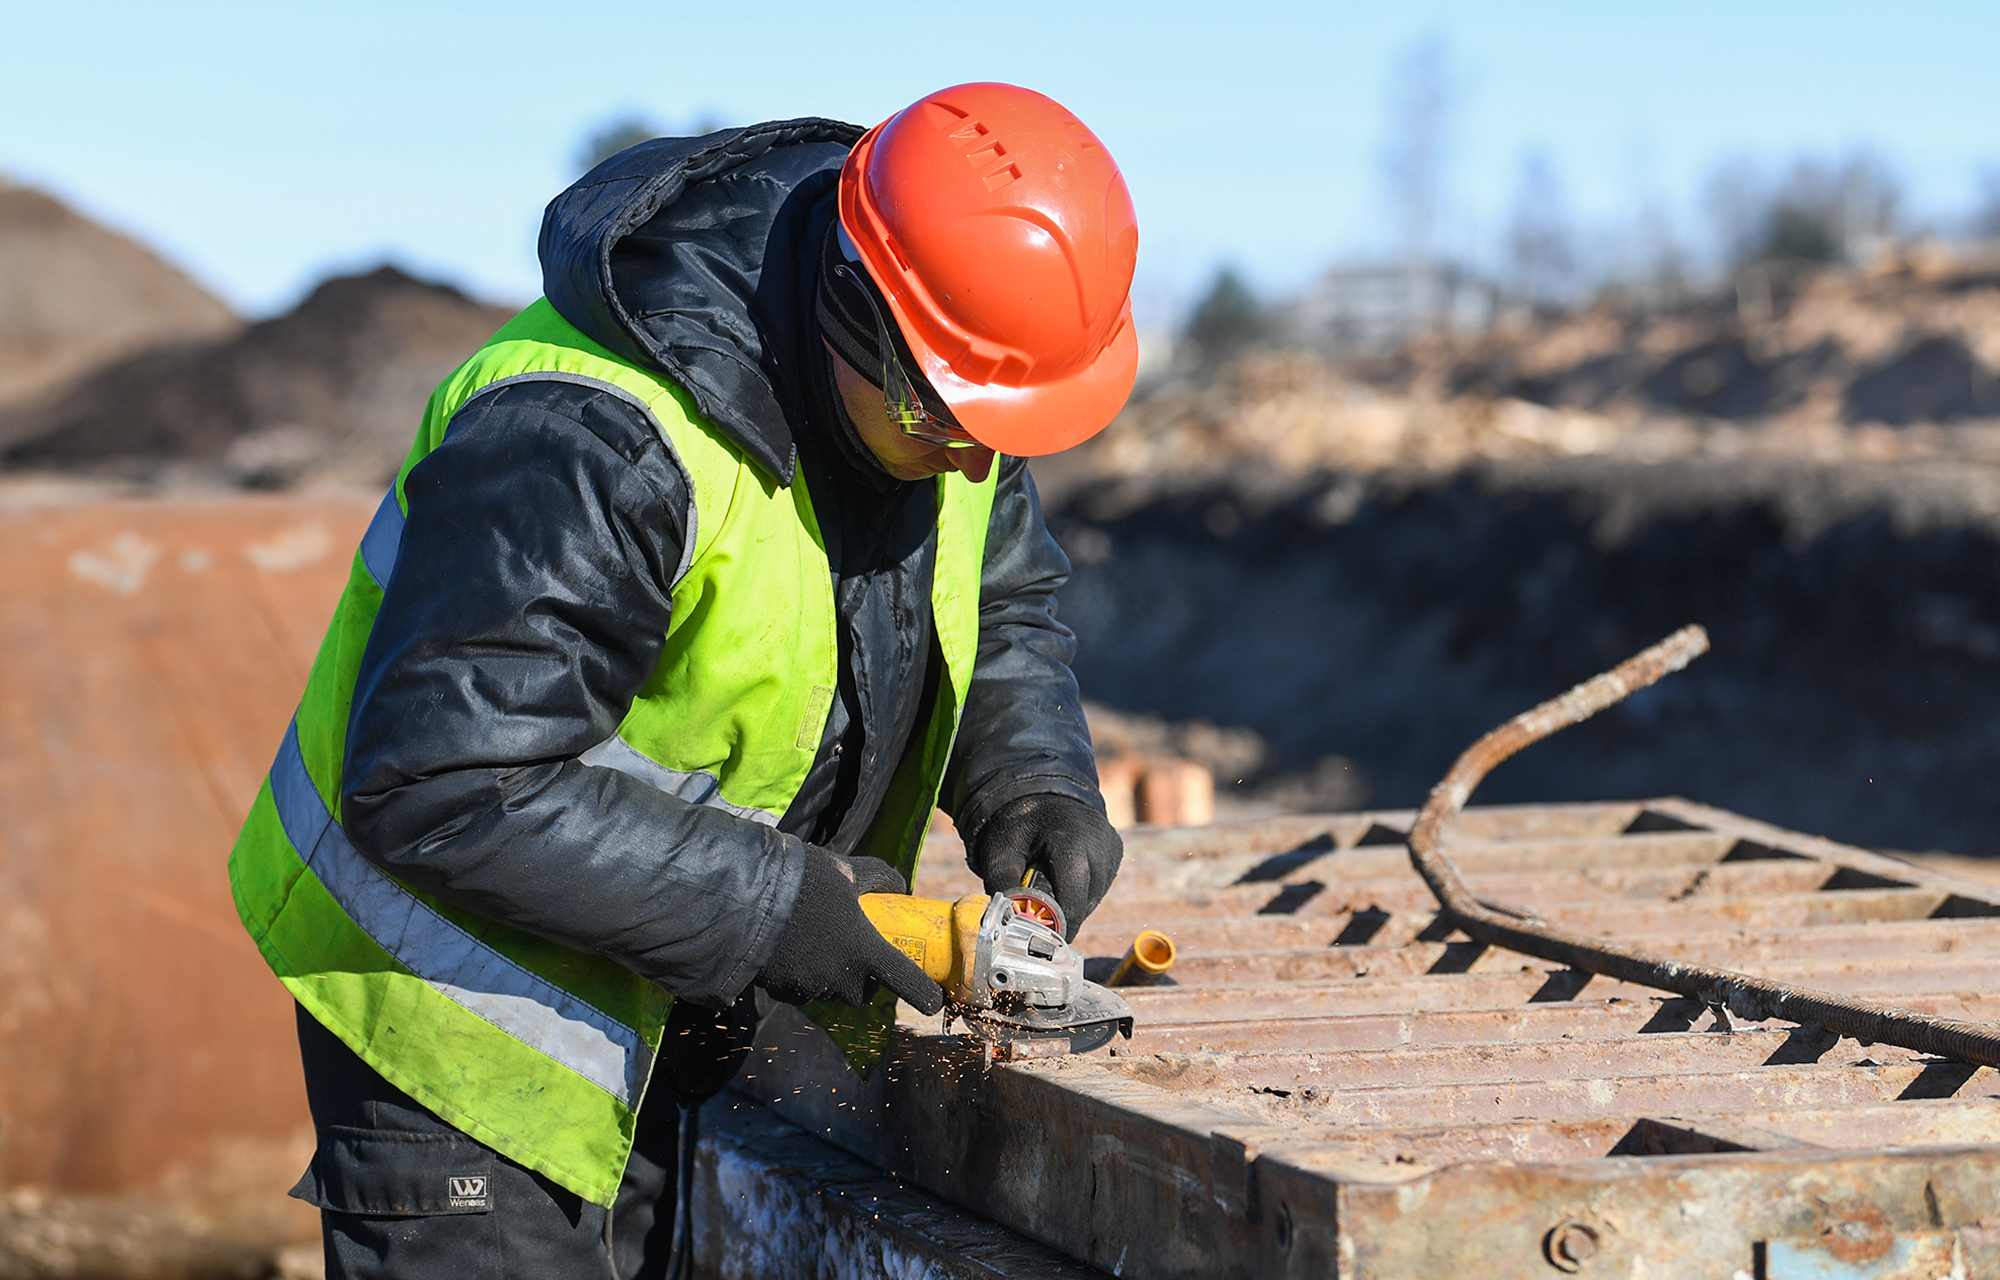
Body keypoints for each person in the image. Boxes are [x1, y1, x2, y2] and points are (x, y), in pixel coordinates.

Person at [229, 82, 1139, 1277]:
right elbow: (447, 778)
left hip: (669, 979)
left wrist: (1031, 777)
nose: (969, 456)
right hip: (466, 1032)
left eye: (1000, 428)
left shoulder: (943, 394)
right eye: (941, 413)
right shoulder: (588, 432)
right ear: (849, 305)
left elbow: (1001, 596)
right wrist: (783, 909)